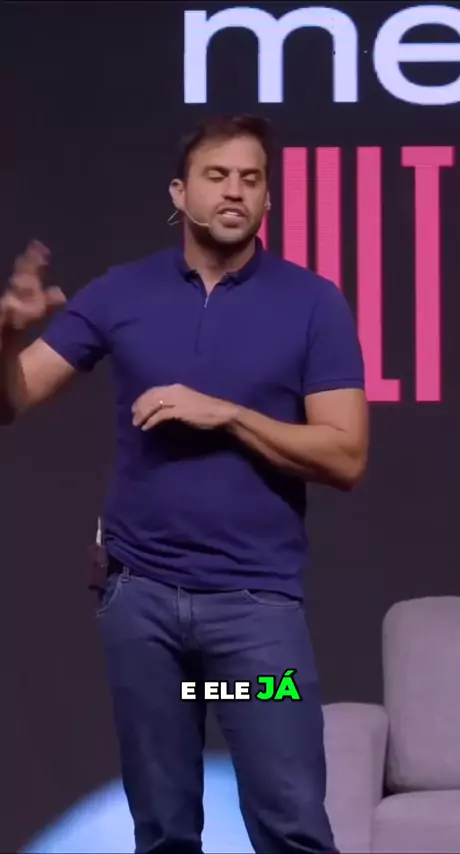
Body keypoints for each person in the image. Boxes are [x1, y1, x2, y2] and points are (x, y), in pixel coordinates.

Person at [0, 115, 368, 854]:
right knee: (163, 830)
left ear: (267, 198)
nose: (235, 191)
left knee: (292, 825)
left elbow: (346, 456)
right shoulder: (122, 292)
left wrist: (227, 414)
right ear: (180, 192)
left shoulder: (311, 302)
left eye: (251, 179)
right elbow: (14, 398)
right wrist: (8, 336)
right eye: (217, 176)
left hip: (255, 615)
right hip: (141, 609)